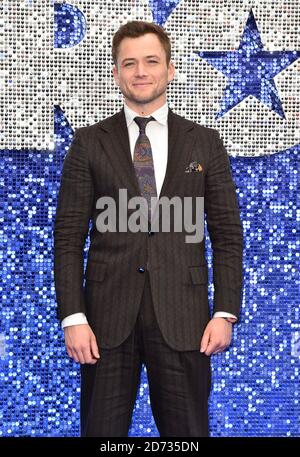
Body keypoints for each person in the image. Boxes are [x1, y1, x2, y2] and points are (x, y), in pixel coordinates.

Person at [54, 20, 243, 437]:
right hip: (104, 322)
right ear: (117, 72)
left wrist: (225, 312)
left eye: (151, 61)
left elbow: (227, 234)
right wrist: (73, 316)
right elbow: (68, 238)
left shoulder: (205, 143)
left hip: (185, 319)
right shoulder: (89, 143)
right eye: (130, 63)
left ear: (170, 69)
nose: (141, 71)